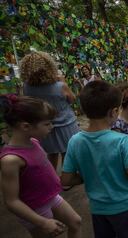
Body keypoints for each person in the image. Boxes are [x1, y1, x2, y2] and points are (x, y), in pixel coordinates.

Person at [61, 81, 128, 238]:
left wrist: (87, 175)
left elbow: (66, 179)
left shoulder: (75, 141)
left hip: (99, 210)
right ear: (114, 112)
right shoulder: (122, 141)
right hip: (127, 208)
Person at [0, 95, 81, 238]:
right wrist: (42, 222)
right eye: (47, 124)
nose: (52, 127)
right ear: (26, 126)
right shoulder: (11, 160)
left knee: (75, 222)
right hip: (34, 209)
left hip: (51, 197)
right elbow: (11, 201)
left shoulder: (34, 141)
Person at [20, 51, 80, 170]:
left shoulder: (26, 87)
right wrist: (63, 81)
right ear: (49, 67)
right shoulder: (59, 86)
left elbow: (28, 102)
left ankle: (50, 178)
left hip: (43, 125)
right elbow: (72, 99)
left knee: (50, 154)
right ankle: (66, 178)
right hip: (65, 124)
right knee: (67, 153)